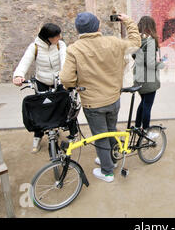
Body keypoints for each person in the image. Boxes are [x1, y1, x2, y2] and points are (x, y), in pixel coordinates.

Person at [60, 12, 141, 183]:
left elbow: (66, 79)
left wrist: (75, 84)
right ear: (97, 27)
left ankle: (107, 171)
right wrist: (128, 21)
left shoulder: (74, 49)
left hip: (92, 102)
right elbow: (135, 43)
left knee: (100, 135)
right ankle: (111, 158)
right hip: (113, 97)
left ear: (78, 30)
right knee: (110, 130)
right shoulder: (113, 42)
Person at [13, 23, 66, 153]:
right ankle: (38, 135)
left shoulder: (60, 45)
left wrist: (65, 76)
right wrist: (18, 75)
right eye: (56, 35)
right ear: (48, 37)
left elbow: (65, 60)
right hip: (42, 81)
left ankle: (71, 130)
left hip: (58, 80)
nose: (60, 37)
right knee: (40, 110)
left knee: (63, 104)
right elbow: (25, 61)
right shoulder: (35, 47)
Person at [132, 16, 164, 131]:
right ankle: (145, 130)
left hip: (138, 78)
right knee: (147, 106)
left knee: (143, 103)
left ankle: (137, 126)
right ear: (151, 26)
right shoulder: (150, 41)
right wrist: (161, 64)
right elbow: (150, 64)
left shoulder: (137, 40)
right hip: (148, 80)